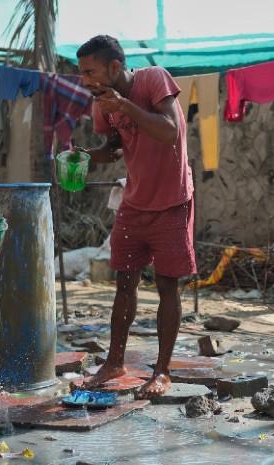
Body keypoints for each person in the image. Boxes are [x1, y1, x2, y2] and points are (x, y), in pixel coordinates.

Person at [75, 35, 195, 399]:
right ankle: (114, 362)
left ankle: (162, 371)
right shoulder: (102, 104)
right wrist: (83, 156)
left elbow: (170, 132)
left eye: (90, 71)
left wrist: (125, 106)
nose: (85, 80)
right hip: (134, 201)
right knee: (124, 283)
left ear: (114, 67)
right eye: (81, 73)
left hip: (172, 201)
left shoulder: (153, 79)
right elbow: (112, 149)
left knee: (166, 285)